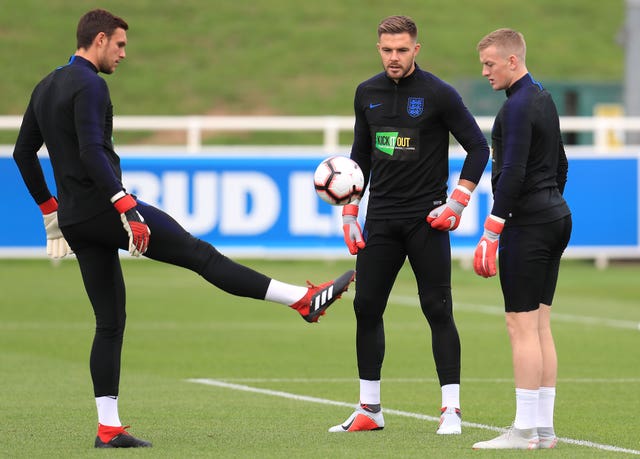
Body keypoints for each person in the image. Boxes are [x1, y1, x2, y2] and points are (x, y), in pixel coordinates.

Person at [12, 8, 355, 449]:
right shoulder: (91, 84)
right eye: (119, 45)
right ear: (98, 40)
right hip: (107, 209)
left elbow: (23, 154)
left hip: (77, 220)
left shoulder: (45, 85)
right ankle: (303, 300)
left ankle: (108, 427)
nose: (122, 54)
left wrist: (50, 211)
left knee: (109, 321)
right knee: (200, 255)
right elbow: (92, 149)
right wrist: (126, 206)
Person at [329, 15, 489, 435]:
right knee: (366, 308)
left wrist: (457, 202)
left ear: (416, 49)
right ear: (378, 48)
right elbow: (359, 155)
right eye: (387, 50)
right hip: (380, 217)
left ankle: (451, 410)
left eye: (402, 50)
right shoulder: (367, 93)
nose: (394, 57)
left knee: (437, 308)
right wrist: (350, 213)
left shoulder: (439, 94)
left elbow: (478, 147)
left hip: (427, 219)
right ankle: (369, 409)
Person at [471, 28, 572, 450]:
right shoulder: (543, 96)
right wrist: (548, 204)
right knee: (540, 325)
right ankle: (543, 430)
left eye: (490, 63)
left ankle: (525, 430)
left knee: (520, 325)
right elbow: (561, 163)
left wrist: (493, 229)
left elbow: (510, 173)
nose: (485, 72)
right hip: (555, 217)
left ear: (513, 61)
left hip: (528, 223)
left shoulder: (515, 108)